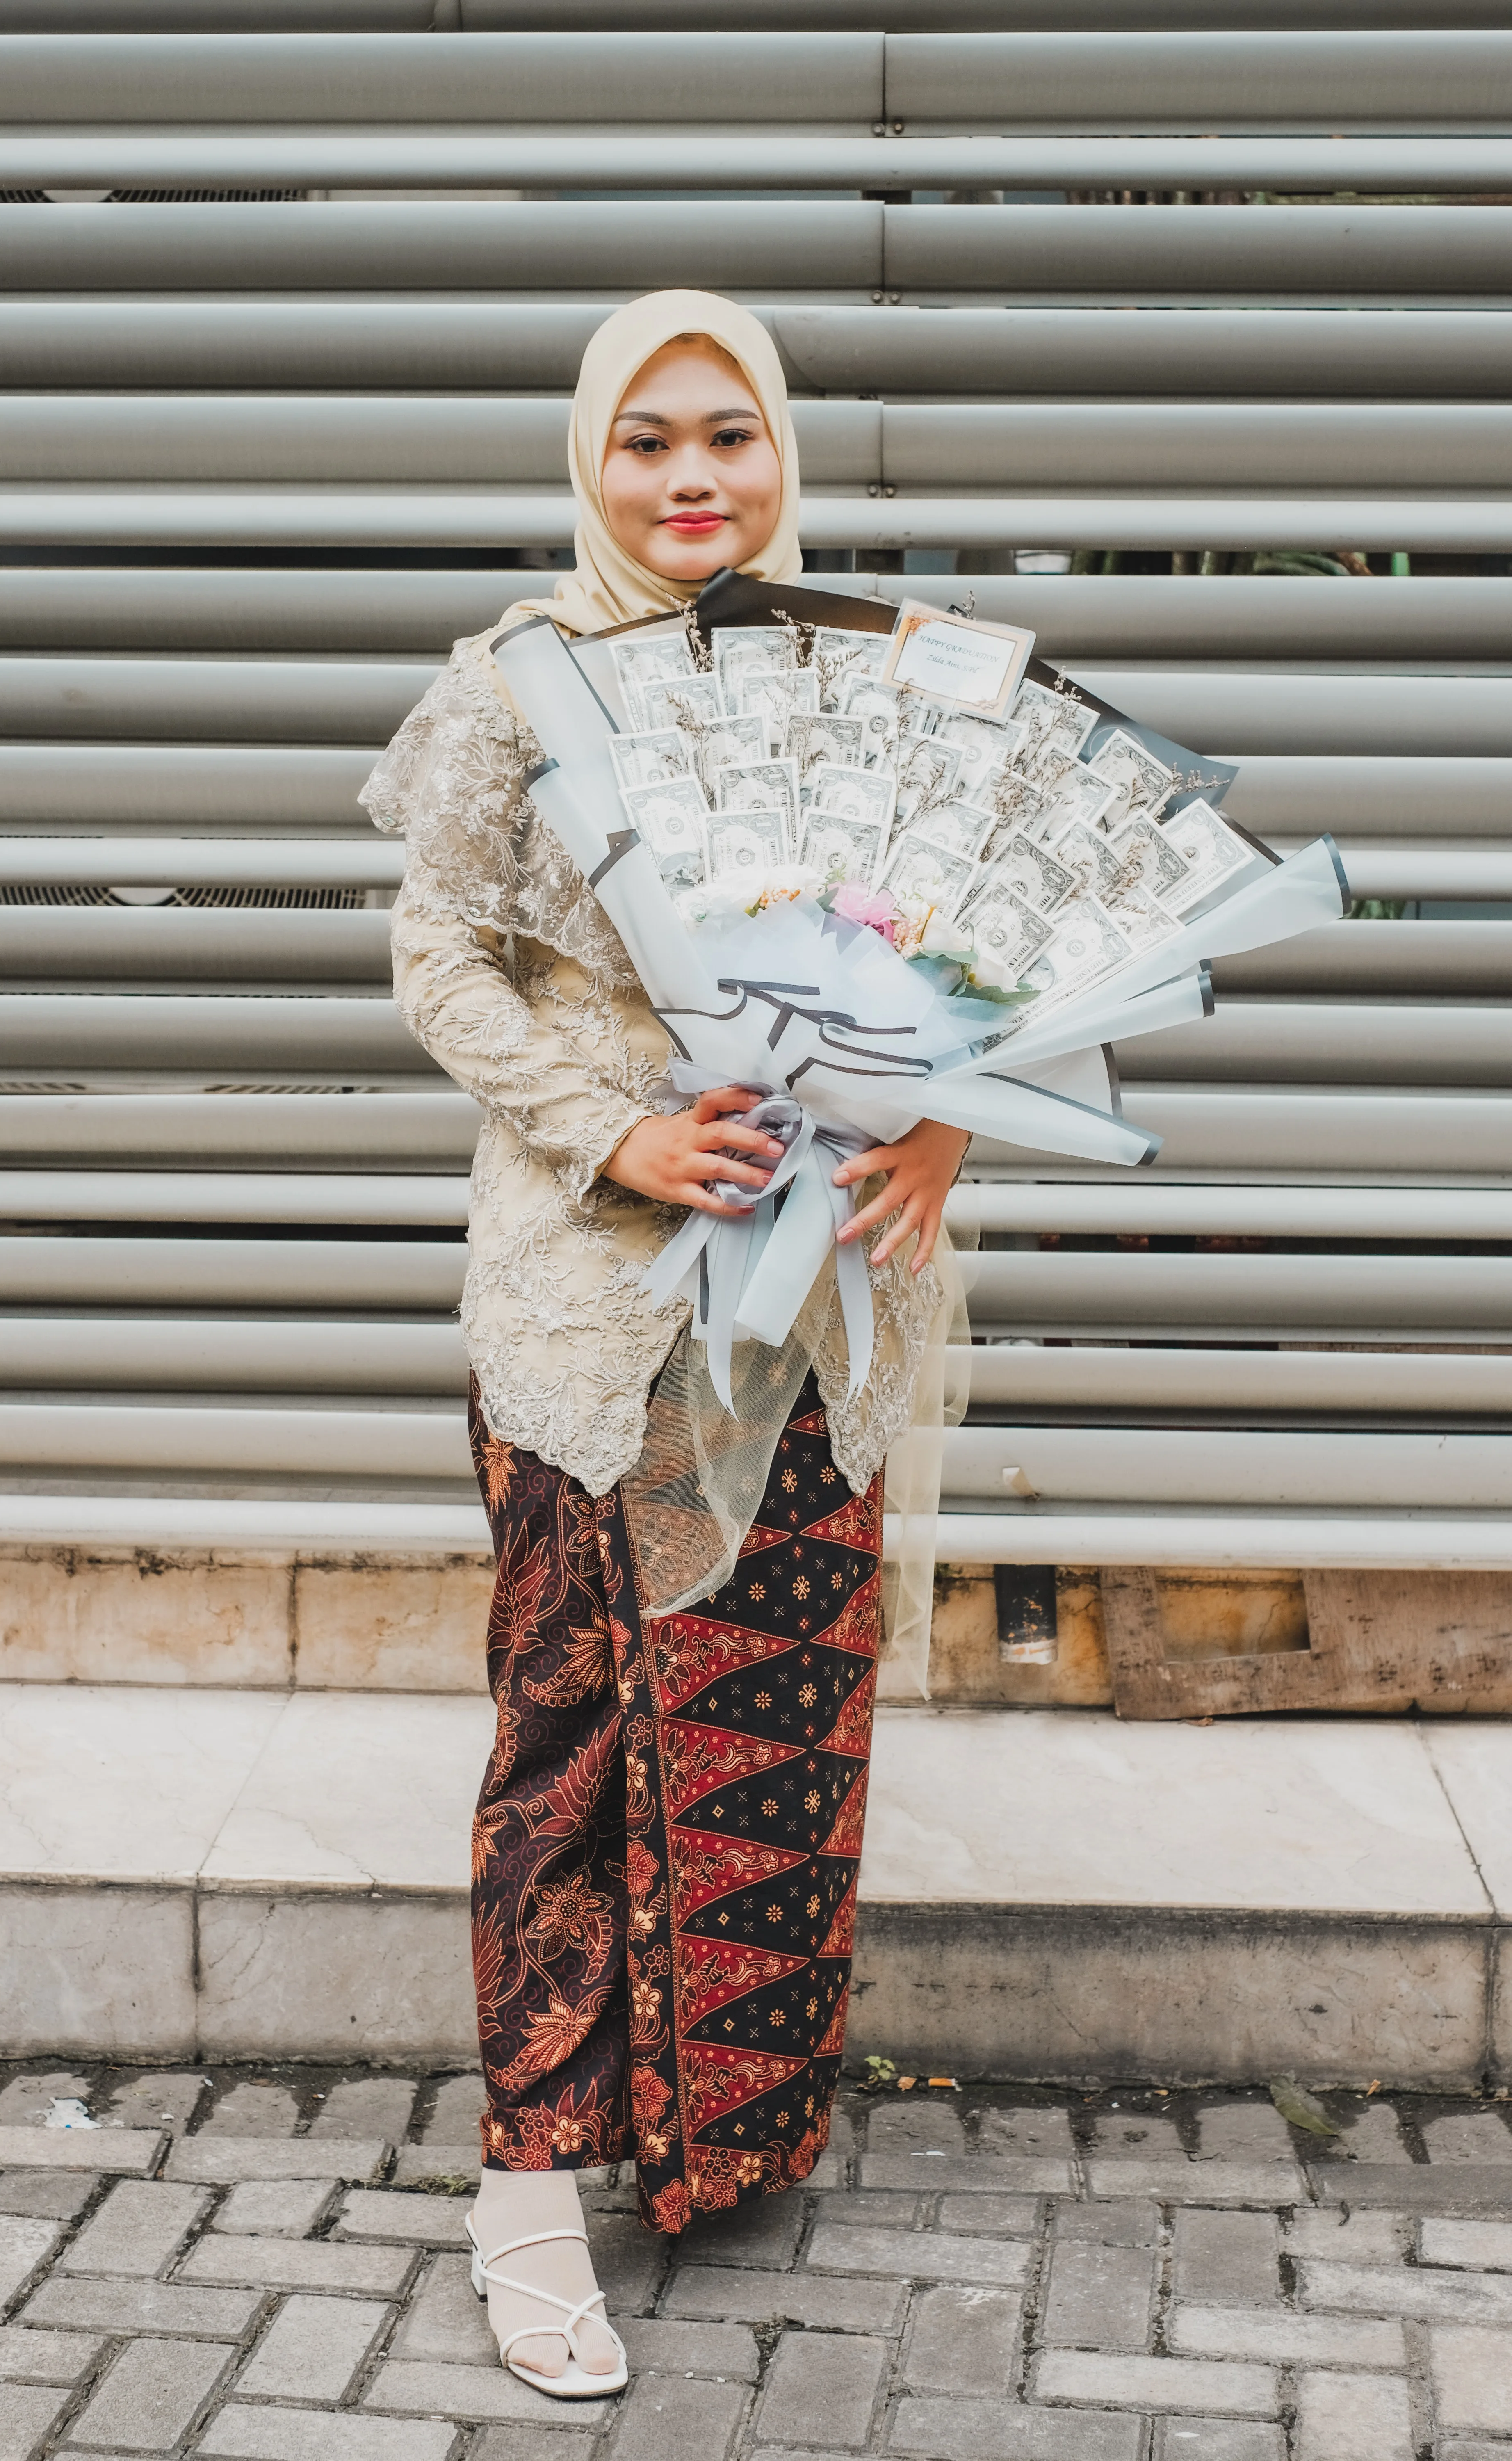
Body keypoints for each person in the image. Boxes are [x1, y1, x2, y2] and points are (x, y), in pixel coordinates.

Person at [361, 290, 969, 2398]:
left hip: (815, 1303)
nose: (694, 477)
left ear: (782, 454)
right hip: (592, 1306)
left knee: (778, 1717)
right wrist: (614, 1122)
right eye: (648, 442)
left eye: (730, 436)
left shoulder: (872, 679)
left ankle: (725, 2134)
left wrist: (955, 1123)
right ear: (590, 465)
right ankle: (531, 2185)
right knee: (570, 1729)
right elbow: (438, 958)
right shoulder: (517, 689)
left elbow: (985, 947)